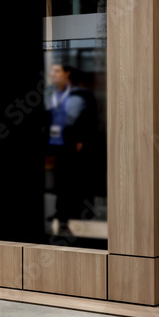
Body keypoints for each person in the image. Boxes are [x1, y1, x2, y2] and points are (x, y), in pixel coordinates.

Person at [46, 63, 99, 236]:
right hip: (54, 144)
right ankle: (60, 213)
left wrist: (81, 139)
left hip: (70, 145)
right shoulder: (53, 93)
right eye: (52, 71)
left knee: (68, 182)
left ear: (67, 73)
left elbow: (85, 120)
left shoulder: (79, 94)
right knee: (58, 181)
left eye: (57, 71)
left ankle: (67, 217)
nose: (53, 74)